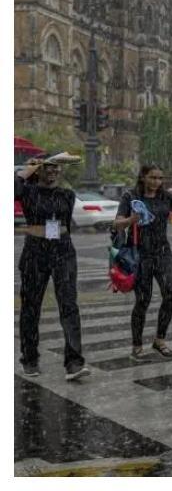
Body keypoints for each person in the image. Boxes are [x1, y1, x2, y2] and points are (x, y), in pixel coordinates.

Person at [113, 165, 172, 360]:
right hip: (140, 255)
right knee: (143, 300)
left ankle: (159, 339)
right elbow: (117, 223)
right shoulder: (131, 196)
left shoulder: (165, 197)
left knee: (171, 293)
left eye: (160, 178)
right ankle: (137, 345)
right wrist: (131, 219)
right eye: (153, 178)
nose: (157, 182)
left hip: (162, 252)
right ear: (143, 177)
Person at [16, 153, 89, 381]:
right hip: (35, 253)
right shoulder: (26, 192)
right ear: (37, 169)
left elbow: (61, 225)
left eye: (57, 167)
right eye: (48, 167)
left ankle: (74, 362)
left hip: (62, 251)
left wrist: (50, 237)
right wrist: (26, 171)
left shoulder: (67, 194)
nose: (53, 171)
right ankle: (29, 359)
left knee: (69, 305)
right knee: (31, 307)